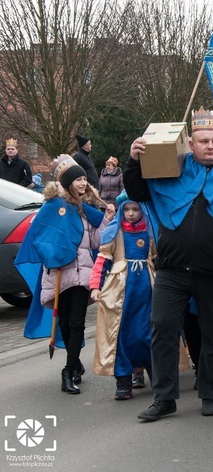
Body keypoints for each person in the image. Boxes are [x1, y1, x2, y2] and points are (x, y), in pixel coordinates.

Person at [124, 108, 213, 421]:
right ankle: (164, 398)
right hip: (172, 269)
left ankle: (210, 393)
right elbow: (137, 191)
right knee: (162, 328)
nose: (210, 146)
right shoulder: (171, 169)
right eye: (203, 140)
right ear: (190, 144)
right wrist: (134, 160)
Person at [15, 155, 114, 394]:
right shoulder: (53, 208)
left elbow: (96, 241)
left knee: (77, 323)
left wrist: (107, 220)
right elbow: (41, 236)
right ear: (68, 182)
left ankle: (68, 371)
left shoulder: (87, 211)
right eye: (78, 179)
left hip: (82, 276)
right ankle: (75, 361)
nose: (83, 183)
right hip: (59, 274)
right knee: (67, 324)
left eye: (84, 179)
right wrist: (56, 250)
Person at [90, 197, 156, 400]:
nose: (130, 213)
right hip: (120, 293)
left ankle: (156, 374)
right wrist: (95, 286)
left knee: (147, 334)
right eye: (126, 209)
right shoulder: (115, 232)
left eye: (135, 209)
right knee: (120, 335)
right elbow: (102, 260)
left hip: (147, 291)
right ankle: (123, 380)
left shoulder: (151, 231)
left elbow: (159, 257)